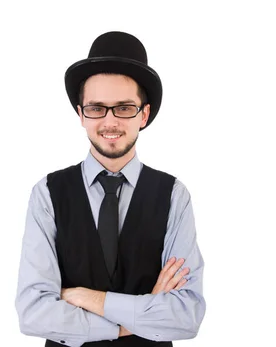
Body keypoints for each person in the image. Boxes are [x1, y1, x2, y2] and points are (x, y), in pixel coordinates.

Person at [15, 31, 206, 346]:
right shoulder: (48, 192)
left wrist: (89, 298)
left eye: (124, 108)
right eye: (96, 108)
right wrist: (130, 323)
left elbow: (186, 316)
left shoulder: (174, 195)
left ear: (143, 114)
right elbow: (33, 313)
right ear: (81, 114)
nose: (110, 121)